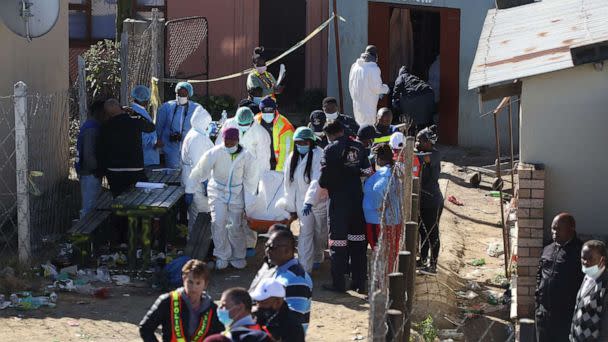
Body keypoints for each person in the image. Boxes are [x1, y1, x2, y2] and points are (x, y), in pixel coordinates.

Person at [189, 127, 257, 270]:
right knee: (218, 223)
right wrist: (190, 188)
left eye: (232, 141)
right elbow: (199, 170)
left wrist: (250, 201)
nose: (229, 144)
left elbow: (251, 179)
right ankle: (222, 255)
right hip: (217, 192)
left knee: (235, 226)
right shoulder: (215, 152)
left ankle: (238, 255)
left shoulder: (247, 156)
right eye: (227, 141)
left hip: (237, 193)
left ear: (238, 140)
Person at [319, 121, 372, 293]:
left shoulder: (329, 150)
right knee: (358, 243)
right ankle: (359, 283)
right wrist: (353, 173)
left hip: (338, 203)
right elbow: (368, 171)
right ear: (342, 131)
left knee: (338, 244)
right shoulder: (358, 146)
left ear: (330, 135)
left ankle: (338, 283)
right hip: (357, 201)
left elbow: (323, 180)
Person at [215, 107, 271, 257]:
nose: (242, 127)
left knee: (248, 209)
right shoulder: (229, 124)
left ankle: (249, 243)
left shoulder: (261, 134)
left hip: (251, 177)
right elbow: (219, 147)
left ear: (252, 121)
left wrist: (261, 183)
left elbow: (264, 161)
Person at [280, 127, 329, 273]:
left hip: (319, 200)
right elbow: (288, 183)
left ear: (310, 142)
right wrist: (290, 207)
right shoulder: (292, 157)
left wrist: (310, 200)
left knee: (320, 233)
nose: (300, 145)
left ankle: (318, 255)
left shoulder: (320, 155)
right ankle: (304, 268)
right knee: (305, 234)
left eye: (303, 142)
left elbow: (316, 180)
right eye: (298, 142)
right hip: (302, 204)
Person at [139, 259, 224, 342]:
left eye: (198, 283)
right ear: (183, 279)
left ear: (205, 284)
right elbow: (145, 328)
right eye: (190, 282)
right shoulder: (167, 301)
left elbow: (221, 336)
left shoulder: (212, 308)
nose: (193, 288)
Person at [535, 213, 583, 342]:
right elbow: (540, 274)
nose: (554, 232)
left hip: (565, 318)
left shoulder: (580, 252)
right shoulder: (548, 248)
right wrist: (538, 302)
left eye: (558, 228)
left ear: (571, 228)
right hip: (543, 314)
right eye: (553, 228)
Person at [97, 98, 156, 197]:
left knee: (118, 199)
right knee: (141, 198)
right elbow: (151, 127)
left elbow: (101, 149)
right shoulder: (134, 122)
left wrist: (103, 169)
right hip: (135, 168)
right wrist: (134, 113)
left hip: (114, 170)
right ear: (121, 108)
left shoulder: (105, 127)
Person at [262, 230, 312, 332]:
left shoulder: (296, 279)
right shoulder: (280, 270)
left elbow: (293, 320)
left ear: (287, 250)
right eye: (266, 246)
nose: (267, 251)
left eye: (272, 247)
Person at [363, 144, 401, 272]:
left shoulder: (383, 173)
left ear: (378, 158)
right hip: (393, 219)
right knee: (390, 252)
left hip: (378, 220)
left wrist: (377, 206)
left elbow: (378, 189)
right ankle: (389, 278)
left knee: (380, 252)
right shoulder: (395, 170)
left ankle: (382, 280)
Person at [181, 106, 214, 237]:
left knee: (197, 218)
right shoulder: (197, 138)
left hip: (193, 182)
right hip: (197, 185)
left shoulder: (195, 133)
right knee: (201, 218)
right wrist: (205, 182)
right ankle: (197, 250)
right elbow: (198, 165)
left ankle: (196, 247)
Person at [156, 81, 203, 168]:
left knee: (188, 173)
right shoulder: (167, 107)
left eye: (184, 95)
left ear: (189, 95)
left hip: (189, 147)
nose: (181, 97)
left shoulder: (196, 108)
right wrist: (158, 139)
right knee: (173, 174)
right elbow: (159, 126)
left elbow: (202, 126)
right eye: (179, 94)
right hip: (171, 148)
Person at [416, 125, 443, 274]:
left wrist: (409, 152)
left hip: (433, 201)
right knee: (422, 231)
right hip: (422, 200)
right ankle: (423, 259)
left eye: (420, 141)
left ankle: (433, 265)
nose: (418, 143)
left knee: (432, 232)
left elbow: (422, 159)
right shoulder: (421, 151)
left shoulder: (435, 154)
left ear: (428, 142)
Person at [570, 240, 608, 341]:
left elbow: (606, 328)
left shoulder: (605, 285)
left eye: (590, 258)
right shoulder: (588, 276)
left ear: (602, 260)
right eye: (583, 258)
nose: (585, 262)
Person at [75, 99, 105, 218]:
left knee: (92, 204)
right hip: (90, 172)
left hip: (90, 172)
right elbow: (88, 154)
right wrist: (96, 169)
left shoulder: (91, 126)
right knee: (89, 206)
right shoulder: (92, 128)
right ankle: (83, 232)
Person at [348, 45, 390, 126]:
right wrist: (386, 89)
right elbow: (377, 88)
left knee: (360, 126)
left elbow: (350, 85)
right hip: (368, 106)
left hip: (357, 104)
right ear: (376, 56)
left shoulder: (355, 66)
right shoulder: (373, 68)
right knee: (369, 128)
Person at [254, 96, 294, 172]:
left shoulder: (284, 125)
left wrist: (279, 172)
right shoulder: (255, 121)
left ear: (275, 110)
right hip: (259, 164)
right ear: (260, 110)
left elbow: (286, 152)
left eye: (270, 110)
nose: (268, 112)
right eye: (265, 110)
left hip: (276, 164)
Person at [391, 66, 435, 135]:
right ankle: (428, 135)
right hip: (429, 93)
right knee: (426, 117)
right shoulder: (413, 78)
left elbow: (397, 89)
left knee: (403, 100)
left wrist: (395, 103)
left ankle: (412, 133)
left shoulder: (401, 77)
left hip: (416, 96)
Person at [131, 85, 160, 167]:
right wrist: (154, 143)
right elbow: (139, 135)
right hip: (146, 158)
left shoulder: (139, 110)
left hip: (147, 157)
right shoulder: (137, 112)